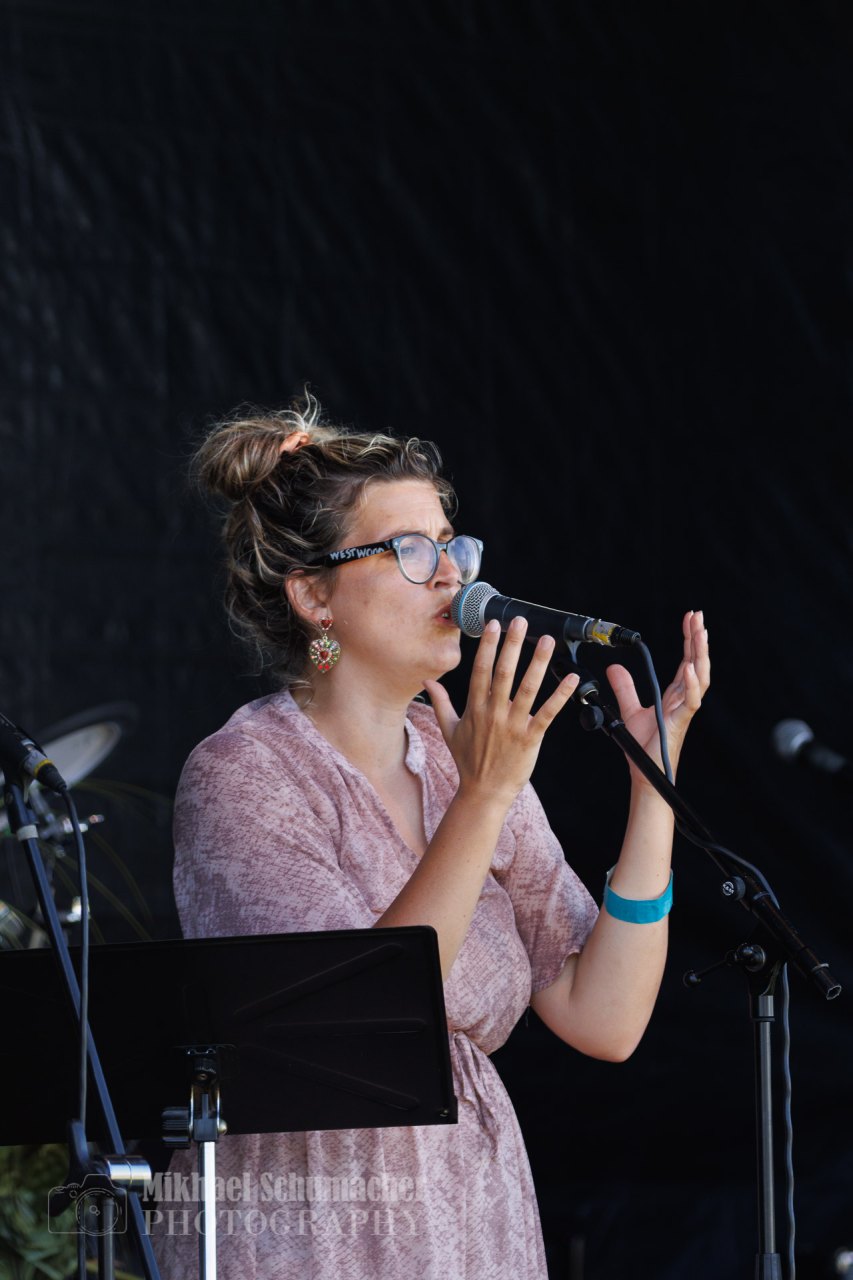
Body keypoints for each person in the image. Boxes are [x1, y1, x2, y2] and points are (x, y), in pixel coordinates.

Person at [152, 391, 710, 1279]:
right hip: (315, 1224)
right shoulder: (245, 774)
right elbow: (358, 1023)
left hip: (469, 1216)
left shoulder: (461, 763)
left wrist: (652, 787)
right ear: (313, 595)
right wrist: (484, 797)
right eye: (410, 550)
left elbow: (604, 1019)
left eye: (452, 545)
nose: (453, 575)